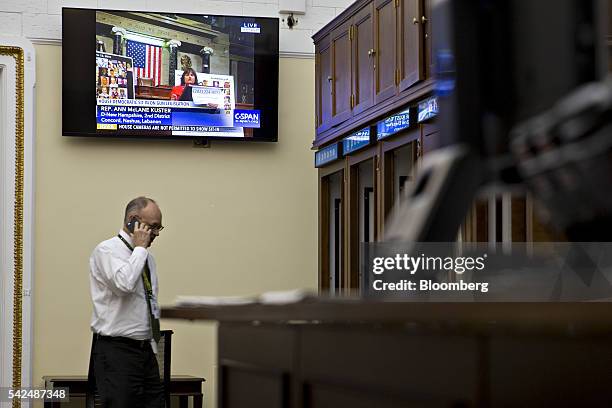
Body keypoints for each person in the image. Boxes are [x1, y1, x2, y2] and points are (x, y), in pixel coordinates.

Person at [89, 196, 165, 408]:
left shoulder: (148, 259)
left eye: (159, 228)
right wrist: (140, 249)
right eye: (153, 227)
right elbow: (123, 285)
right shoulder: (107, 250)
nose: (156, 233)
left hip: (146, 351)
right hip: (117, 352)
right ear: (133, 221)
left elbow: (148, 302)